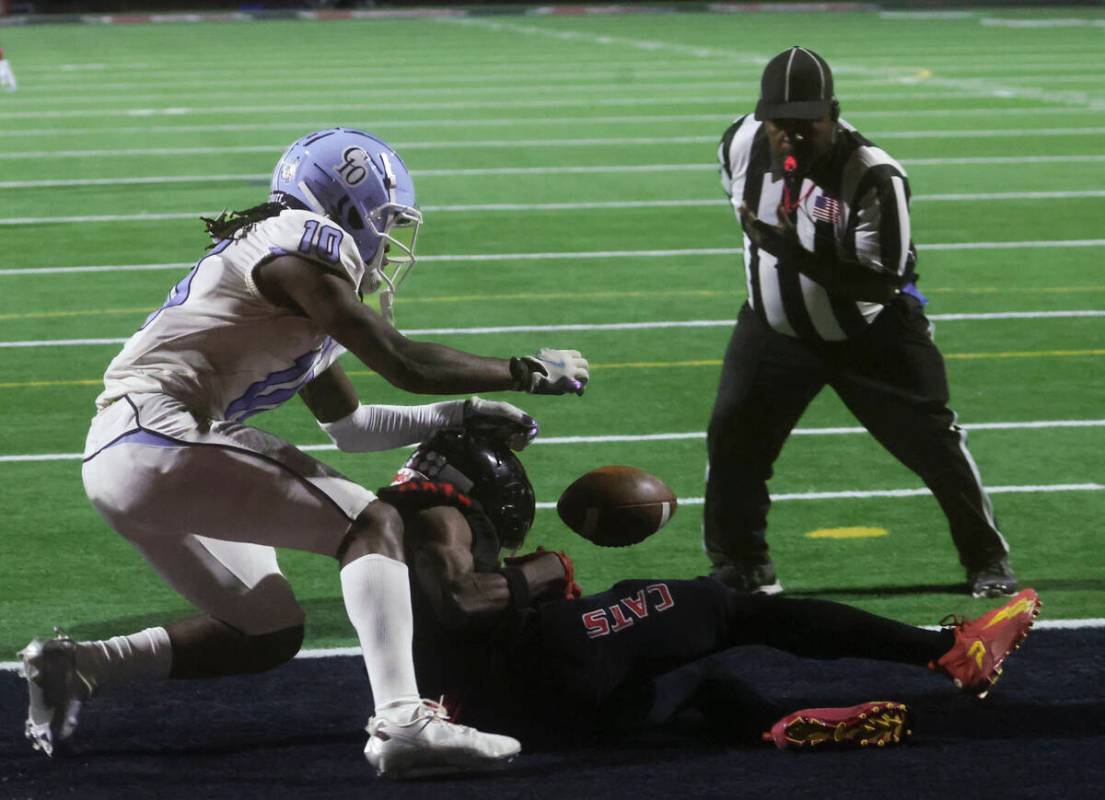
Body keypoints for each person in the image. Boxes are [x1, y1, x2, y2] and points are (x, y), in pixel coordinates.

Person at [19, 127, 590, 779]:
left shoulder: (292, 282)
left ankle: (81, 665)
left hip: (132, 457)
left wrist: (462, 412)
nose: (390, 233)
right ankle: (404, 722)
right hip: (160, 432)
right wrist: (520, 369)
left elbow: (351, 425)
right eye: (384, 216)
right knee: (370, 524)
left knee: (266, 629)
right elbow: (402, 362)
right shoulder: (300, 242)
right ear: (343, 205)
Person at [381, 427, 1040, 751]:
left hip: (510, 714)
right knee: (723, 606)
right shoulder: (436, 512)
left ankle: (777, 728)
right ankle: (951, 649)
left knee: (700, 677)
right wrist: (544, 569)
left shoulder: (384, 525)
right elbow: (462, 601)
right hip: (539, 668)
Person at [706, 46, 1016, 598]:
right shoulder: (739, 142)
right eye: (783, 124)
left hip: (871, 334)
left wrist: (789, 251)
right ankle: (741, 564)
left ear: (834, 114)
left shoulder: (875, 176)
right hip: (773, 330)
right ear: (763, 117)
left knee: (933, 446)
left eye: (810, 124)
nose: (794, 137)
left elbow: (878, 283)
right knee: (733, 441)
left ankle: (986, 558)